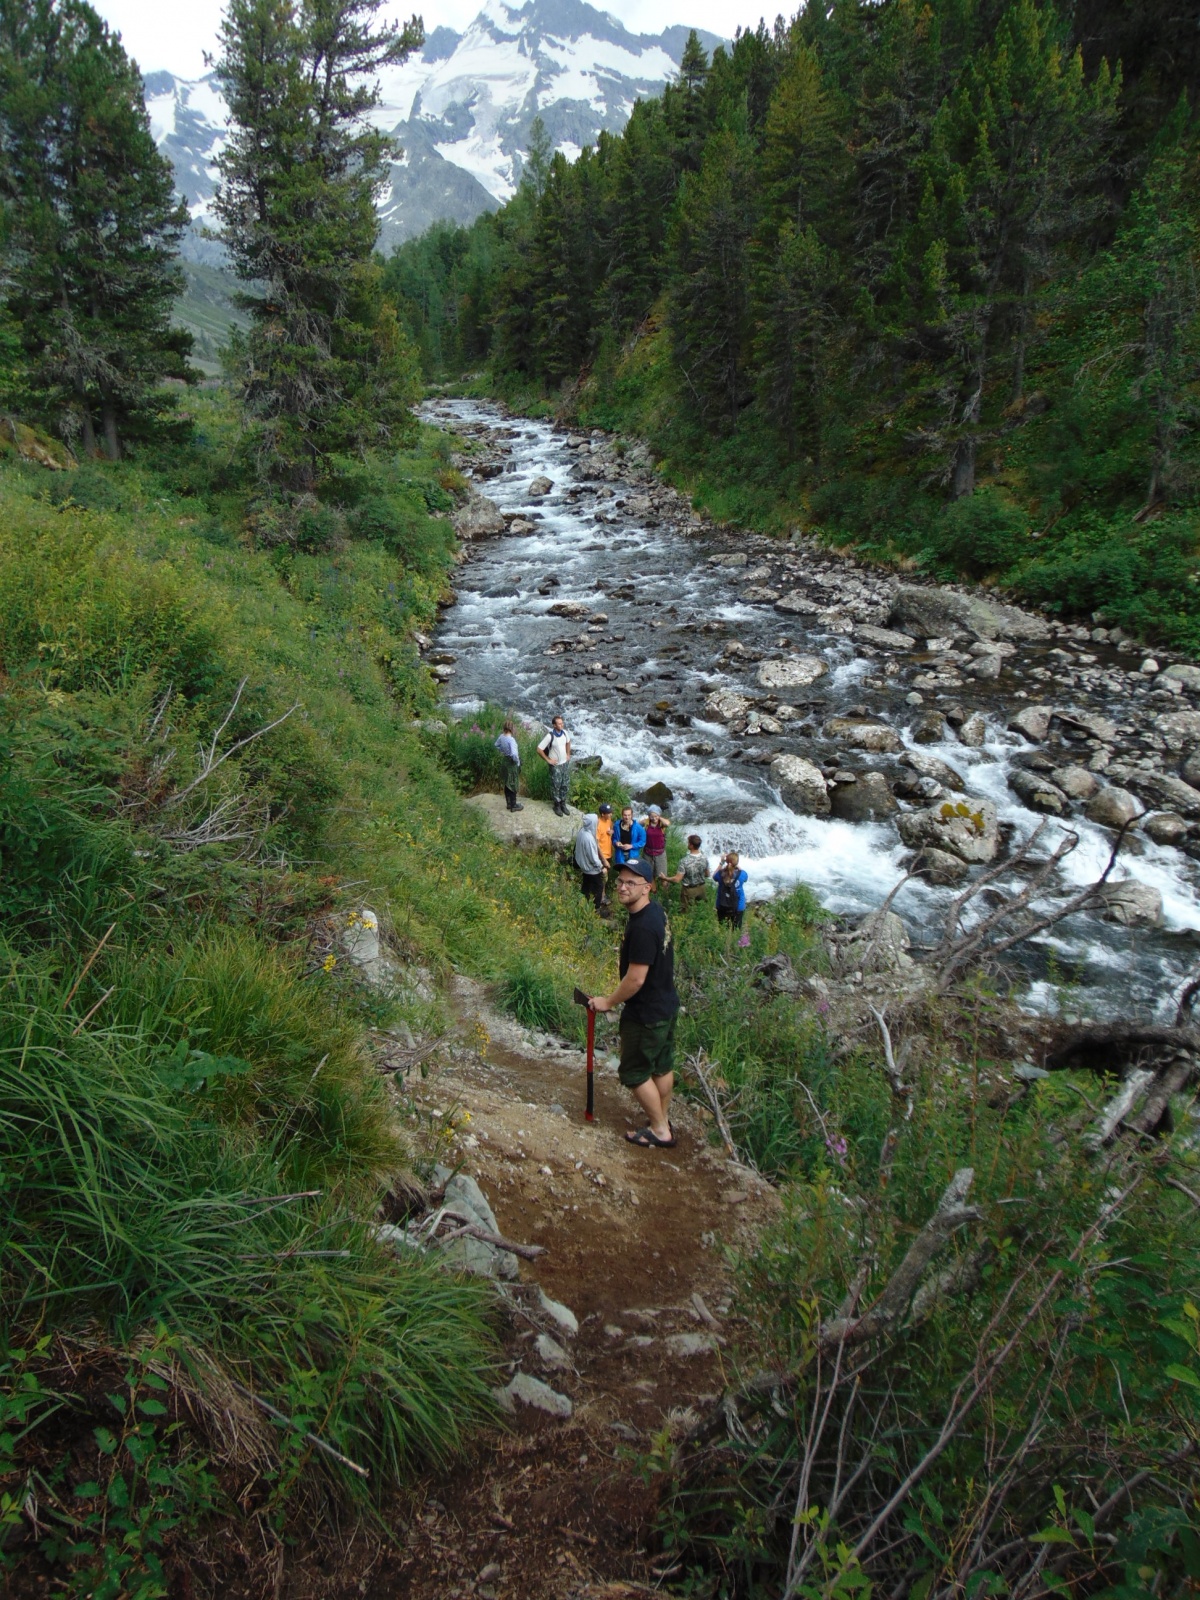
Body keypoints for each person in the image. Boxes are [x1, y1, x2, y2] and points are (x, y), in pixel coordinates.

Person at [589, 858, 680, 1149]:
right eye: (620, 882)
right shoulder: (656, 913)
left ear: (648, 888)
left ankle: (659, 1129)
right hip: (666, 1005)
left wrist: (608, 1001)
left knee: (634, 1071)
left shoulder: (642, 928)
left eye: (631, 883)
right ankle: (662, 1119)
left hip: (646, 1013)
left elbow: (636, 979)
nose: (622, 887)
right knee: (661, 1068)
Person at [537, 714, 573, 815]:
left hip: (564, 764)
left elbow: (568, 742)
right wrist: (548, 760)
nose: (562, 725)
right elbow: (539, 749)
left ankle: (563, 803)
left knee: (565, 784)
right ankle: (556, 805)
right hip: (555, 765)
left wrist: (568, 754)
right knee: (556, 785)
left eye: (562, 723)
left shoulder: (565, 733)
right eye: (559, 724)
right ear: (554, 725)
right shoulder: (550, 736)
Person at [574, 813, 606, 911]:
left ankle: (584, 905)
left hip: (583, 866)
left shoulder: (582, 831)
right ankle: (596, 909)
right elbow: (593, 857)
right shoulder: (588, 838)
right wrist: (601, 867)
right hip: (591, 869)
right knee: (599, 888)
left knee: (586, 886)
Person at [670, 834, 710, 909]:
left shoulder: (684, 861)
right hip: (702, 888)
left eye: (688, 843)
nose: (687, 844)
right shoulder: (705, 858)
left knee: (686, 911)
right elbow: (707, 874)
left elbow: (677, 879)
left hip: (689, 890)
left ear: (691, 845)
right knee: (701, 909)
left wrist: (665, 878)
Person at [714, 851, 748, 929]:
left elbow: (714, 877)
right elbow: (745, 878)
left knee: (723, 929)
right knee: (736, 930)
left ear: (726, 862)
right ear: (736, 862)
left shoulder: (720, 874)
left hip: (722, 905)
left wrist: (721, 863)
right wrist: (735, 864)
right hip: (738, 906)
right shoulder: (742, 874)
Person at [495, 719, 523, 812]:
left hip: (505, 762)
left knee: (507, 783)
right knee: (513, 784)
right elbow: (514, 754)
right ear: (512, 729)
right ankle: (514, 805)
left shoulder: (501, 737)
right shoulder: (511, 740)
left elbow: (496, 745)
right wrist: (517, 762)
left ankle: (508, 804)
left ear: (504, 728)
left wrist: (502, 751)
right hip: (511, 763)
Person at [642, 804, 670, 889]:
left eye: (656, 816)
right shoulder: (647, 823)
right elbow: (636, 824)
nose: (654, 819)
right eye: (652, 816)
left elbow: (667, 823)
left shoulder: (662, 823)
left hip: (660, 854)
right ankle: (653, 892)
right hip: (648, 853)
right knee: (650, 874)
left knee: (662, 875)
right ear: (649, 816)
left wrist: (659, 817)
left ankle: (665, 893)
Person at [595, 802, 615, 907]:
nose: (611, 814)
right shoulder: (598, 824)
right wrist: (603, 860)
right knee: (603, 877)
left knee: (605, 878)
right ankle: (601, 898)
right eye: (608, 813)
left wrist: (611, 831)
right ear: (603, 814)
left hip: (609, 854)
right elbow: (596, 843)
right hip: (602, 856)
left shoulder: (608, 820)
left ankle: (602, 895)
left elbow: (611, 828)